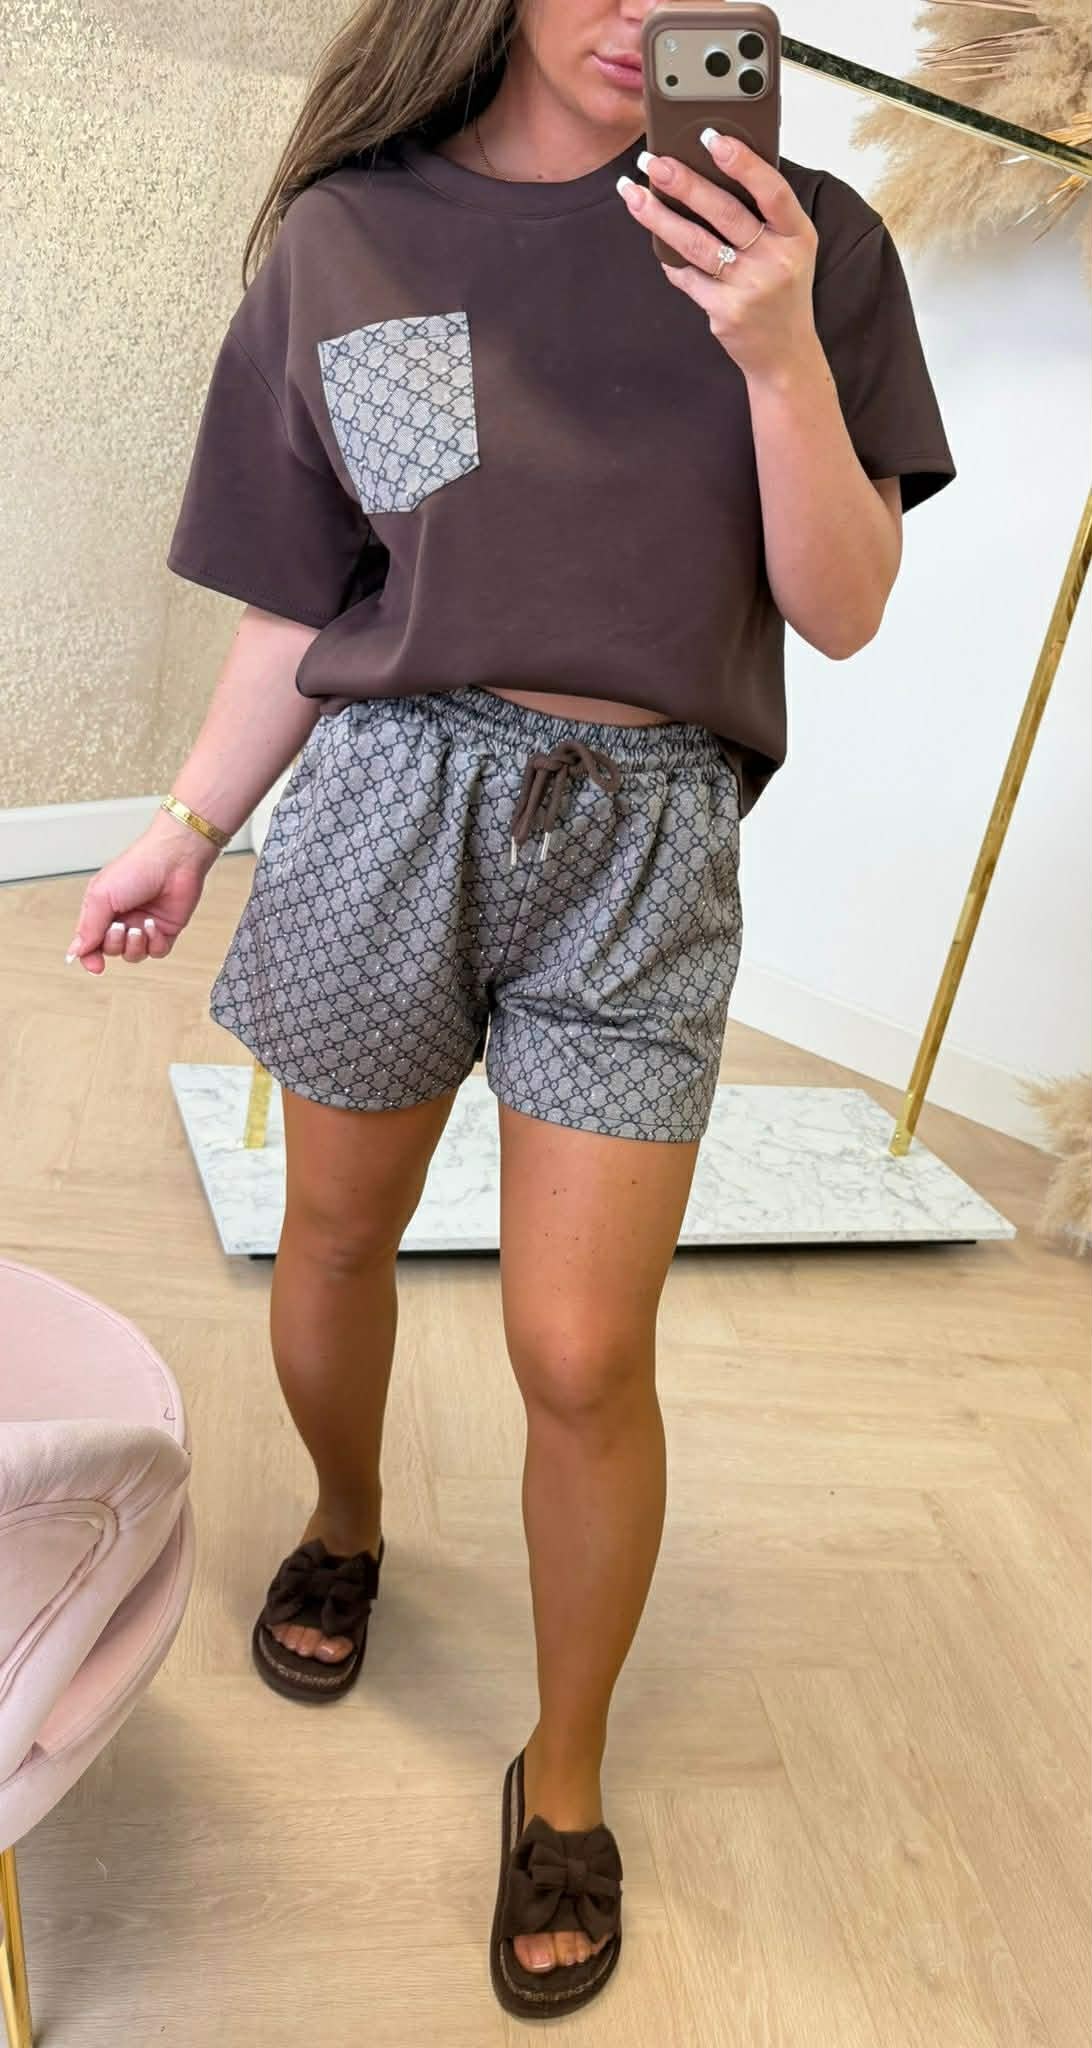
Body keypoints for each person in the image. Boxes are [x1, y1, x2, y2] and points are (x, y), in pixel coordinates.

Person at [64, 0, 956, 2019]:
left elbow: (841, 606)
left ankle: (562, 1777)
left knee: (581, 1345)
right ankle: (348, 1523)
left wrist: (775, 346)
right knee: (335, 1234)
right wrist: (187, 826)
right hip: (387, 802)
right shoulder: (356, 237)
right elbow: (310, 594)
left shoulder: (809, 242)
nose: (644, 10)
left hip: (648, 839)